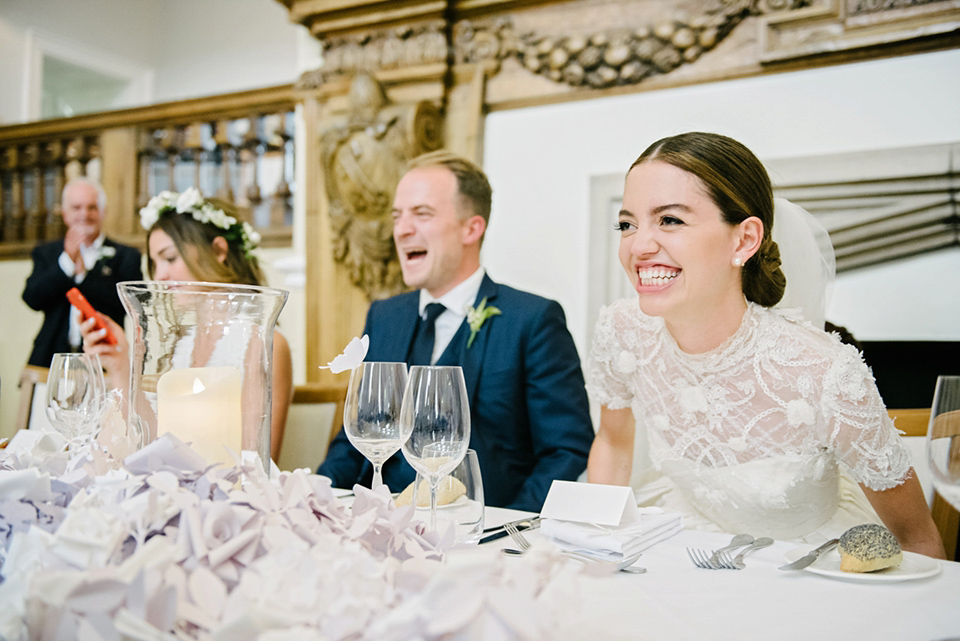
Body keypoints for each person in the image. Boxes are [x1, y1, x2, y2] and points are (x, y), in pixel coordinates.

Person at [587, 132, 945, 558]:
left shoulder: (825, 372)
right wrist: (595, 544)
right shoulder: (622, 330)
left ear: (744, 240)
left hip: (808, 564)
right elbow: (612, 440)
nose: (639, 247)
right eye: (627, 224)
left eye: (670, 220)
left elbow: (916, 538)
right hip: (689, 545)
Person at [317, 151, 594, 512]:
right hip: (379, 528)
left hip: (482, 538)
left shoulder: (533, 320)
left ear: (472, 228)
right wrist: (316, 495)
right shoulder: (384, 317)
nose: (401, 230)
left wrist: (506, 529)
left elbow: (566, 451)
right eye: (397, 216)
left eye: (422, 214)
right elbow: (354, 440)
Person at [82, 188, 293, 459]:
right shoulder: (181, 341)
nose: (160, 276)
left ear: (218, 250)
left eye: (169, 258)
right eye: (154, 264)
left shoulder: (265, 344)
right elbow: (155, 442)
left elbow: (255, 460)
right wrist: (120, 365)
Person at [22, 177, 143, 367]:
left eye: (92, 207)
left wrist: (83, 276)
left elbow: (130, 305)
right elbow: (32, 298)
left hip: (104, 361)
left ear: (103, 212)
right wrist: (67, 263)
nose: (84, 214)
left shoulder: (127, 256)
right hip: (50, 358)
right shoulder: (46, 253)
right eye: (77, 208)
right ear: (65, 214)